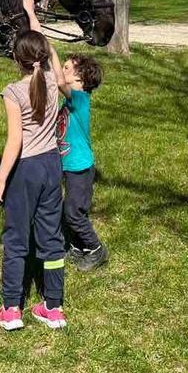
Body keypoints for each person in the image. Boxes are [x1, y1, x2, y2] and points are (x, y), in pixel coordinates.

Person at [0, 0, 68, 331]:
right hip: (53, 166)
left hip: (26, 170)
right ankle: (53, 308)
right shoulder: (53, 81)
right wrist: (32, 16)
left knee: (17, 240)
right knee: (51, 238)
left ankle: (11, 309)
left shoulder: (13, 92)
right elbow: (47, 51)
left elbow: (15, 142)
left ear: (16, 60)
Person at [56, 52, 108, 271]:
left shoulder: (79, 99)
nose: (62, 69)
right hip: (68, 165)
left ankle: (96, 249)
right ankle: (78, 246)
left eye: (67, 67)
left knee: (73, 212)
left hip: (79, 168)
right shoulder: (71, 101)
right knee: (72, 209)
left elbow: (58, 80)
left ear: (79, 80)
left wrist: (48, 48)